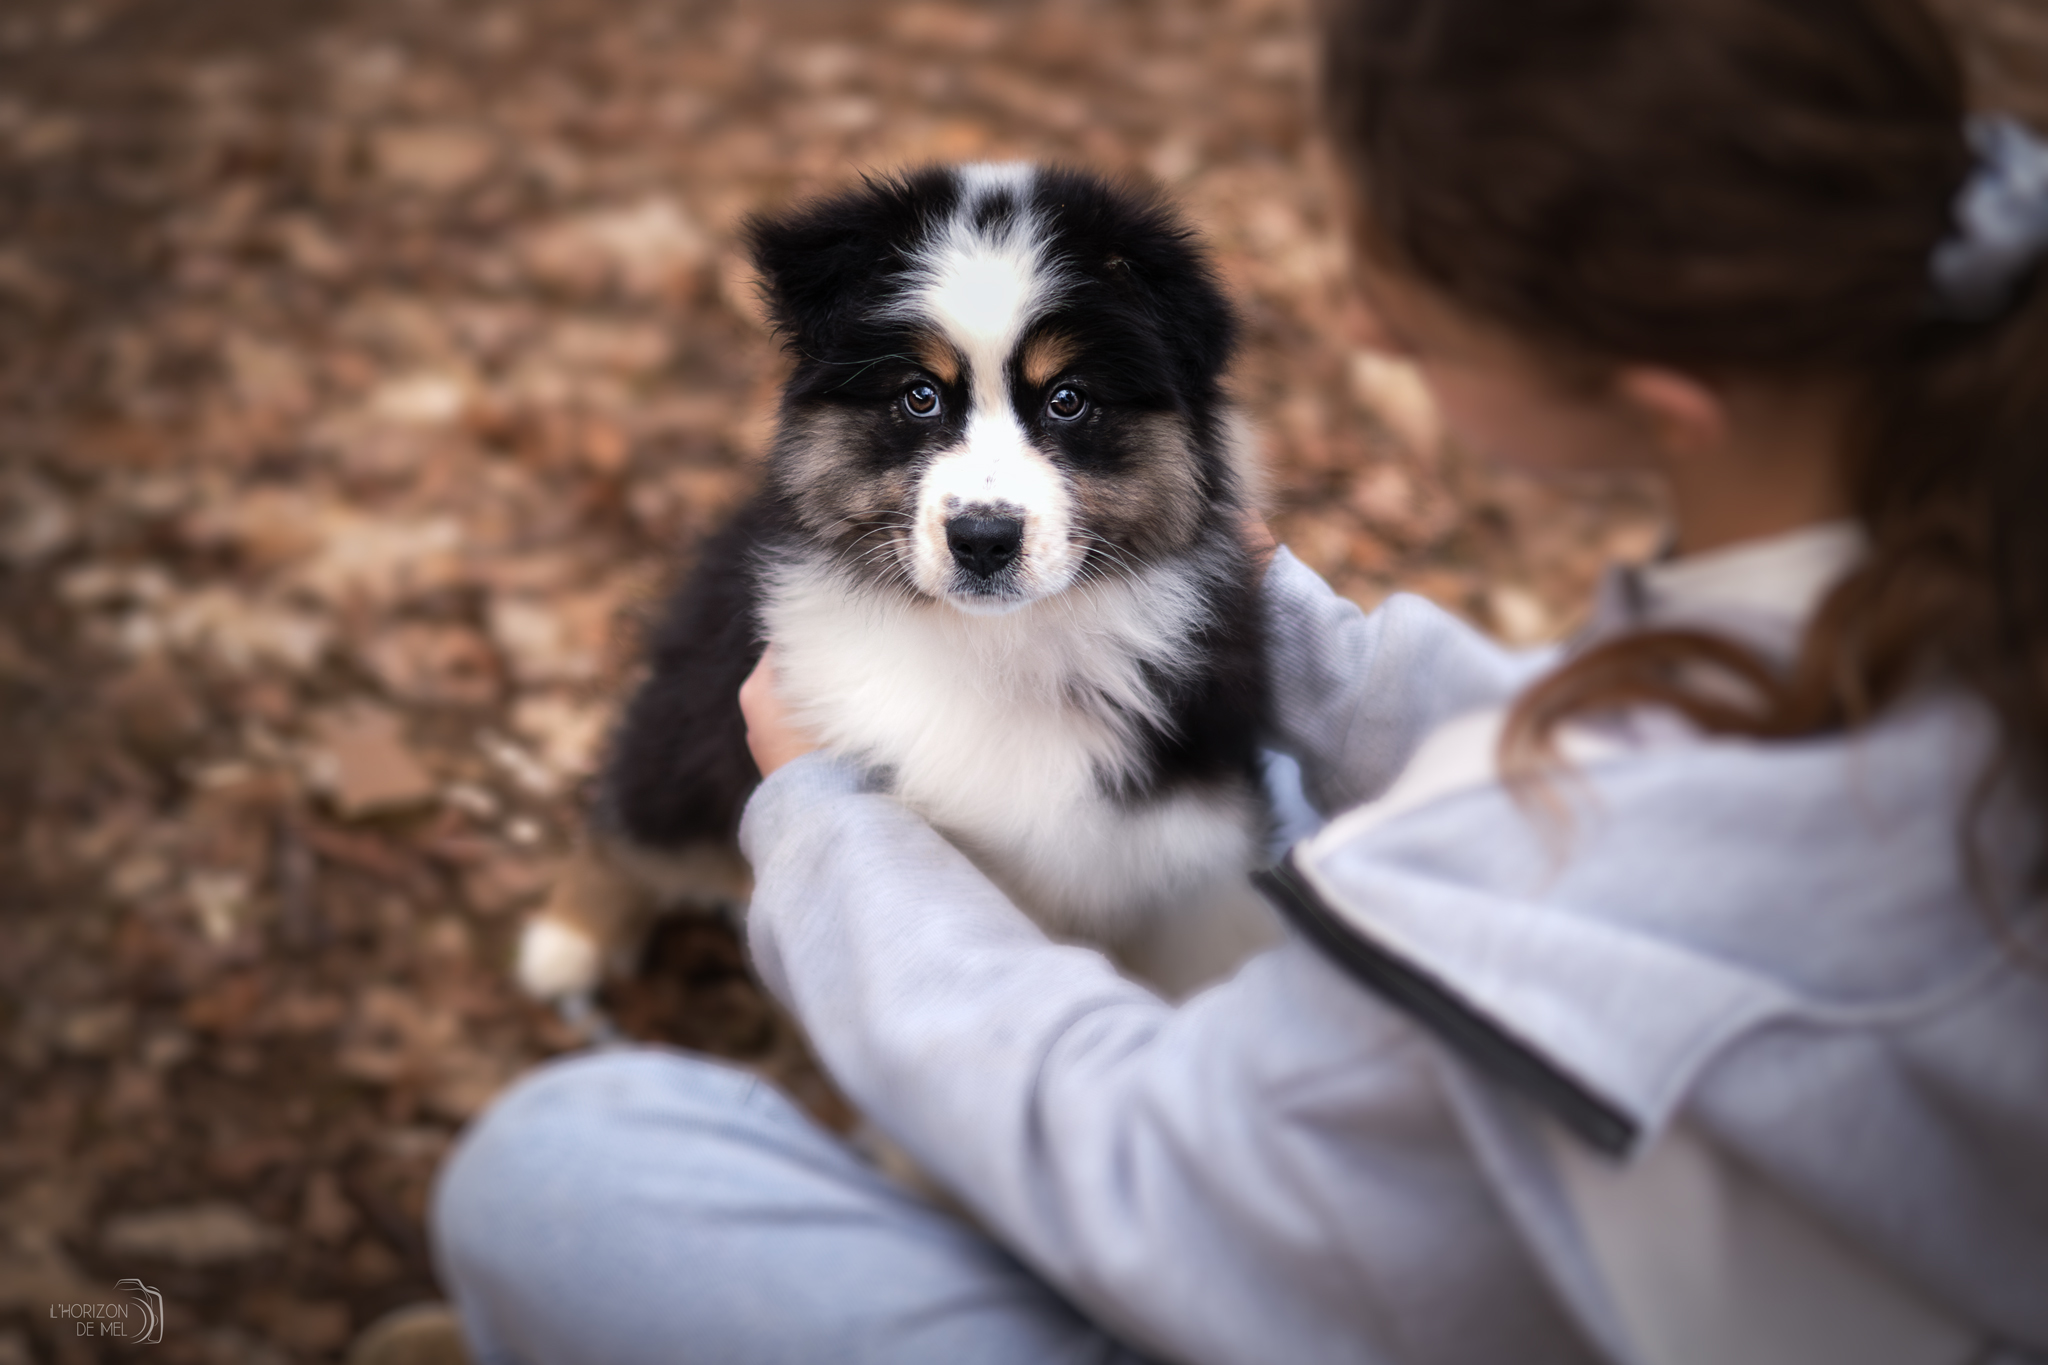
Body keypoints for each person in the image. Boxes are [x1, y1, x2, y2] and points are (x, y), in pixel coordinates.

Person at [424, 0, 2048, 1360]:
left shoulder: (1569, 879)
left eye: (1400, 279)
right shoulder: (1956, 580)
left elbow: (1142, 1169)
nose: (1350, 307)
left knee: (563, 1168)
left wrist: (834, 822)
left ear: (1659, 395)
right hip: (1729, 1244)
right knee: (1257, 795)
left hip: (1350, 1278)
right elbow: (1630, 758)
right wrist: (1293, 629)